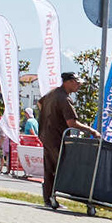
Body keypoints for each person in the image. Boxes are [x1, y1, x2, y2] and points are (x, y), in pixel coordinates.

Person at [34, 71, 82, 209]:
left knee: (49, 169)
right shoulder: (63, 98)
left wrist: (49, 118)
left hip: (46, 135)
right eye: (76, 82)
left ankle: (48, 199)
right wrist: (91, 131)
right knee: (57, 169)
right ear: (68, 82)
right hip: (56, 138)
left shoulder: (53, 93)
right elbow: (71, 123)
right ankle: (51, 199)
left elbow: (40, 103)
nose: (78, 85)